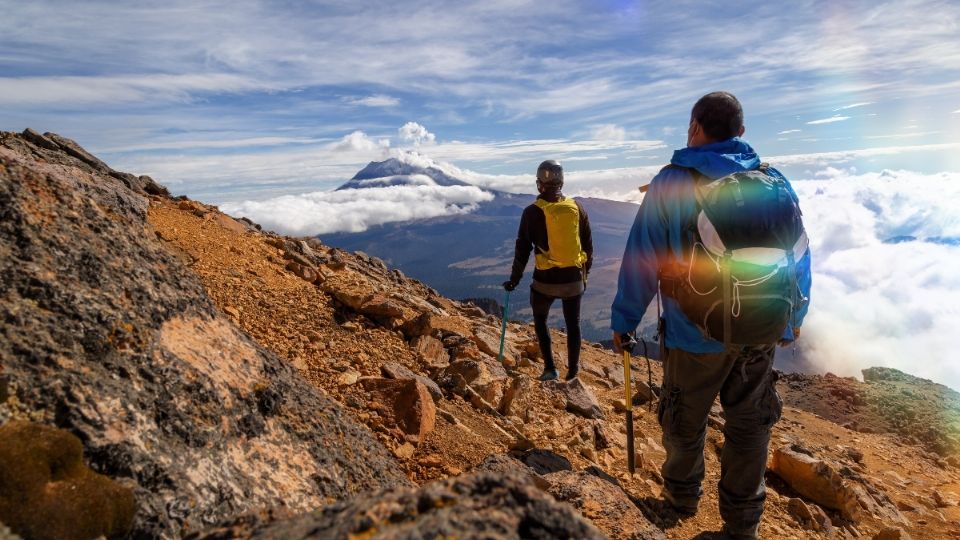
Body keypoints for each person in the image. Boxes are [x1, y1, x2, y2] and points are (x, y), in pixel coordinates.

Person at [610, 92, 811, 539]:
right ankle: (742, 524)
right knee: (750, 425)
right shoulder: (774, 180)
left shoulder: (672, 182)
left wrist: (624, 320)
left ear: (694, 128)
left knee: (684, 419)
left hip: (692, 332)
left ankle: (681, 498)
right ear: (741, 132)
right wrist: (794, 315)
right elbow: (798, 253)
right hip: (760, 327)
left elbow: (643, 256)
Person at [504, 160, 593, 382]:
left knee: (541, 320)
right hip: (573, 281)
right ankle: (573, 374)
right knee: (573, 325)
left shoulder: (531, 212)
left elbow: (522, 249)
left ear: (539, 184)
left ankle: (550, 369)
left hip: (544, 282)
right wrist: (584, 276)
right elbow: (588, 247)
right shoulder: (577, 208)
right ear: (561, 182)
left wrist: (514, 280)